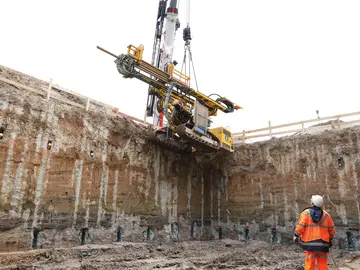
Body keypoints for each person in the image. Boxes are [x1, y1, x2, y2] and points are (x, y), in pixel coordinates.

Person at [294, 195, 335, 270]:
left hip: (309, 245)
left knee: (309, 265)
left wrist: (296, 235)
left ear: (312, 203)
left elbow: (300, 226)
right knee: (323, 265)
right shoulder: (327, 215)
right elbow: (331, 230)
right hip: (323, 245)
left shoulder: (306, 213)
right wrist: (330, 238)